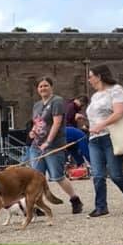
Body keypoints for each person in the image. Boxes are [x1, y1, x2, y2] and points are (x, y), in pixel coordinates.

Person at [85, 64, 123, 217]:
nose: (89, 80)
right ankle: (101, 206)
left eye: (91, 76)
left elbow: (119, 112)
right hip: (94, 139)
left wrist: (101, 125)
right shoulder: (95, 96)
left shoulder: (116, 90)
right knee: (98, 175)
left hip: (111, 137)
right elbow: (95, 116)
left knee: (116, 174)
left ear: (99, 76)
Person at [26, 77, 83, 214]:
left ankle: (75, 199)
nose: (43, 88)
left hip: (53, 145)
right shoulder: (37, 105)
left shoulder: (57, 101)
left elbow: (57, 123)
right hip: (36, 145)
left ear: (51, 87)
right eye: (40, 86)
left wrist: (48, 142)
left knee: (57, 176)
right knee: (37, 178)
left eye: (46, 85)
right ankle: (39, 205)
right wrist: (32, 132)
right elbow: (38, 122)